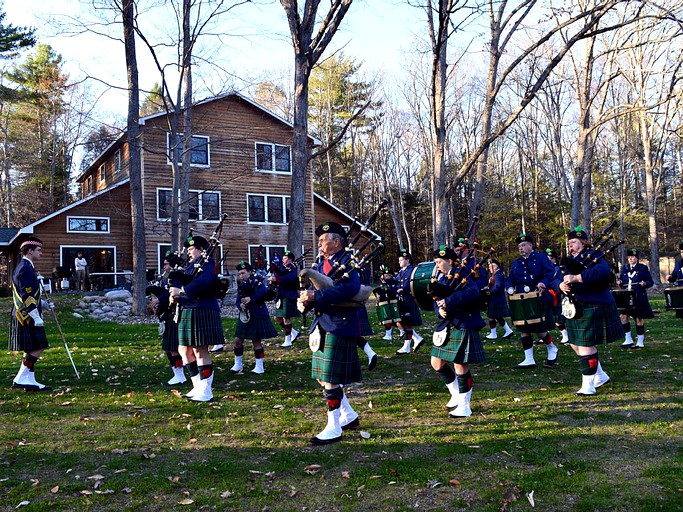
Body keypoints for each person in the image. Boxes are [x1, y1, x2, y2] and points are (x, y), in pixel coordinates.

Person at [298, 221, 363, 445]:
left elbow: (350, 289)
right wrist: (305, 302)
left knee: (330, 378)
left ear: (336, 242)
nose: (319, 243)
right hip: (322, 322)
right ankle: (349, 415)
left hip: (339, 323)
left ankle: (333, 427)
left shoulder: (348, 261)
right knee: (322, 376)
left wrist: (318, 297)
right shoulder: (321, 263)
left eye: (323, 240)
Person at [559, 227, 623, 395]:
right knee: (574, 343)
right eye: (569, 243)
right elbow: (556, 276)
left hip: (595, 303)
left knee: (586, 344)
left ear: (583, 242)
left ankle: (588, 386)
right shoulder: (568, 259)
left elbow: (603, 272)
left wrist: (577, 278)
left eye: (574, 242)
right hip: (576, 306)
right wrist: (560, 284)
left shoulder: (593, 256)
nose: (570, 245)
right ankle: (600, 375)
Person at [429, 245, 486, 418]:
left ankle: (464, 405)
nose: (437, 265)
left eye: (439, 262)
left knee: (460, 364)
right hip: (448, 323)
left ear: (449, 261)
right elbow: (436, 301)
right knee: (436, 362)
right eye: (435, 262)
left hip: (464, 322)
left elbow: (473, 292)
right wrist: (441, 310)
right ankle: (456, 394)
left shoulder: (463, 274)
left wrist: (449, 301)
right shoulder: (443, 278)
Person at [169, 235, 224, 402]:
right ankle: (197, 386)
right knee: (183, 350)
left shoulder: (208, 264)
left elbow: (205, 282)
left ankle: (206, 391)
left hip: (203, 309)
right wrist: (173, 293)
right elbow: (180, 280)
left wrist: (183, 291)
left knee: (200, 351)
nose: (188, 252)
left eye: (191, 249)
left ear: (201, 249)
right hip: (187, 308)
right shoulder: (189, 266)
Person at [505, 233, 559, 369]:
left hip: (538, 296)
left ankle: (552, 347)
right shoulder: (516, 263)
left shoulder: (541, 258)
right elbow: (510, 278)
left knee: (539, 328)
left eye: (523, 245)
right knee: (524, 328)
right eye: (519, 246)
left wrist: (543, 283)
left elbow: (550, 273)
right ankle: (529, 359)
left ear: (530, 245)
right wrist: (509, 287)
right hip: (521, 298)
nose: (521, 248)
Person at [10, 236, 52, 391]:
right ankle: (21, 377)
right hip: (26, 316)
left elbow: (31, 294)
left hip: (27, 313)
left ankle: (29, 379)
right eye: (38, 250)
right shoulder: (25, 269)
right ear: (30, 251)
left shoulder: (27, 267)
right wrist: (35, 315)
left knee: (30, 347)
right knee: (39, 345)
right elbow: (26, 295)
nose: (41, 253)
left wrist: (44, 304)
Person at [230, 261, 278, 374]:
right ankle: (238, 364)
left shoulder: (258, 281)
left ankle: (259, 366)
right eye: (239, 274)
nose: (241, 276)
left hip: (257, 313)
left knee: (256, 341)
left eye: (243, 273)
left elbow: (263, 292)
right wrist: (240, 305)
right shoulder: (241, 284)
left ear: (249, 272)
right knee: (237, 340)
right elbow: (238, 300)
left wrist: (251, 299)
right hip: (245, 315)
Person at [148, 252, 186, 386]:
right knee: (168, 348)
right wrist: (157, 305)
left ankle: (180, 375)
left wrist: (160, 301)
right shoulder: (165, 278)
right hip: (166, 315)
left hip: (174, 315)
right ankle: (177, 373)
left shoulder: (177, 278)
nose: (164, 266)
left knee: (174, 348)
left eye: (166, 264)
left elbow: (173, 297)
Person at [617, 248, 654, 349]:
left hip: (638, 296)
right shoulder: (625, 268)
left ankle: (640, 341)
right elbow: (622, 279)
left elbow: (650, 282)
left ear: (637, 258)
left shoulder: (642, 268)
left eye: (632, 257)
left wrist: (645, 283)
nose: (630, 259)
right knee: (623, 317)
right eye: (629, 257)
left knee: (638, 318)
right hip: (625, 297)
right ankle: (628, 339)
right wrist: (619, 282)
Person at [394, 250, 424, 354]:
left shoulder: (412, 270)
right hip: (401, 301)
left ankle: (406, 347)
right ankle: (417, 338)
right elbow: (395, 281)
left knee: (407, 324)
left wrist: (403, 289)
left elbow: (409, 283)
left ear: (407, 260)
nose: (399, 262)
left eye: (401, 260)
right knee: (399, 322)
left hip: (409, 300)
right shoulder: (401, 271)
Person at [269, 250, 300, 347]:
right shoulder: (283, 268)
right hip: (281, 295)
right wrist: (273, 281)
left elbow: (289, 279)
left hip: (288, 295)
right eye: (283, 258)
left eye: (285, 258)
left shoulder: (293, 268)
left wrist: (277, 279)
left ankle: (288, 340)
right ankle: (293, 332)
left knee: (286, 318)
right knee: (277, 318)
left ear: (290, 259)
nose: (283, 260)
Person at [484, 258, 514, 340]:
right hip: (496, 298)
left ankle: (493, 334)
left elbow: (498, 287)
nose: (490, 268)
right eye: (489, 266)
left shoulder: (498, 275)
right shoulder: (495, 275)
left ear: (496, 266)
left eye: (492, 266)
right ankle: (508, 330)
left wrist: (489, 291)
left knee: (491, 316)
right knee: (497, 316)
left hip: (496, 298)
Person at [546, 249, 569, 344]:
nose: (548, 260)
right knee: (548, 316)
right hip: (548, 295)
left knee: (560, 317)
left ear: (554, 259)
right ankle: (545, 335)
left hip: (558, 295)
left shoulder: (559, 269)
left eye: (550, 258)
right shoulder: (545, 269)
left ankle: (565, 335)